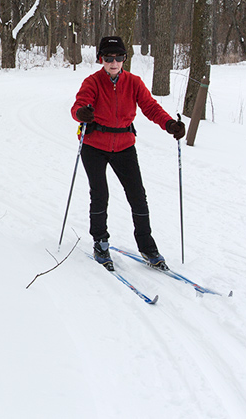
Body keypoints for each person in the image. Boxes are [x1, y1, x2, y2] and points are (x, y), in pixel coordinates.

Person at [70, 35, 186, 271]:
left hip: (124, 145)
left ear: (125, 59)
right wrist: (82, 113)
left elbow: (151, 107)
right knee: (100, 194)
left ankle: (147, 247)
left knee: (137, 196)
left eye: (119, 57)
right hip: (94, 145)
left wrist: (169, 125)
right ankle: (100, 242)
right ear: (101, 59)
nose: (114, 62)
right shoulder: (92, 82)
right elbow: (79, 105)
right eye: (109, 58)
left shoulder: (134, 82)